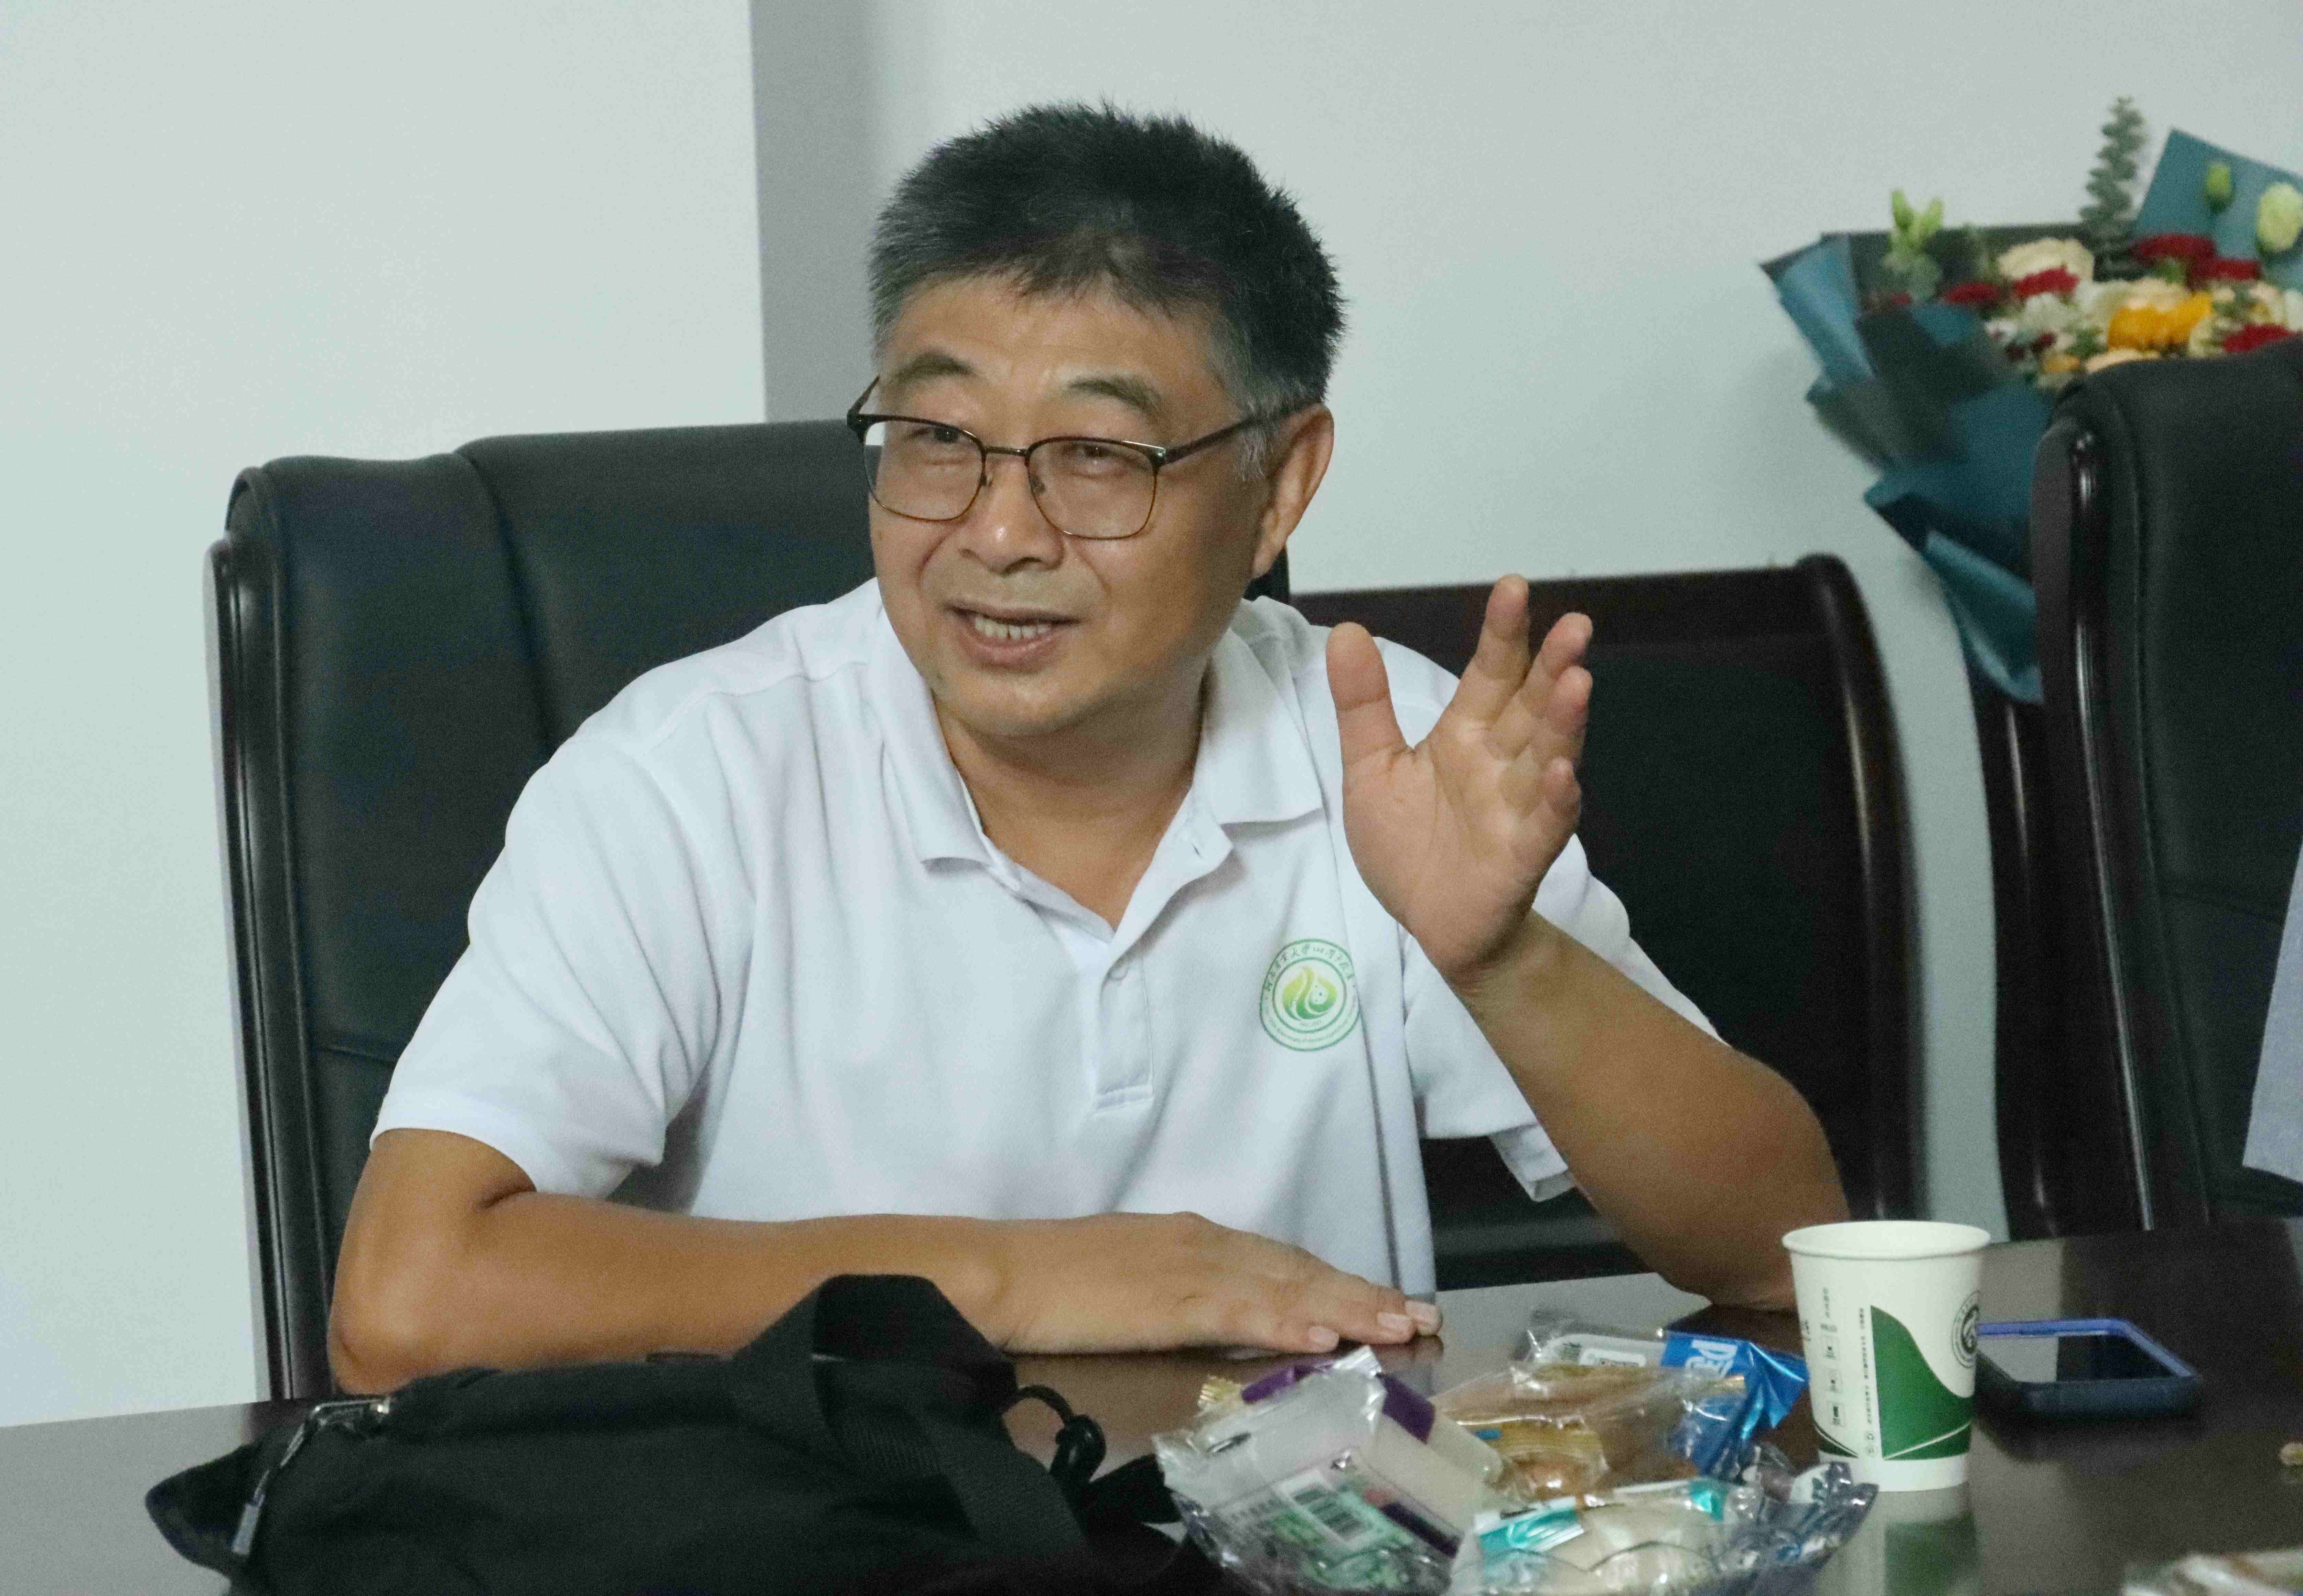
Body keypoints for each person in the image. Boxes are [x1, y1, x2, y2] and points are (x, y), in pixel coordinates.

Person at [330, 104, 1847, 1393]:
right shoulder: (691, 775)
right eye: (940, 440)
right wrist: (1020, 1277)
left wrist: (1502, 959)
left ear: (1280, 486)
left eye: (1098, 457)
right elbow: (406, 1300)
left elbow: (1785, 1252)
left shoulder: (1380, 745)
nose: (999, 534)